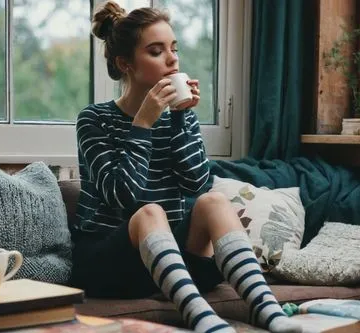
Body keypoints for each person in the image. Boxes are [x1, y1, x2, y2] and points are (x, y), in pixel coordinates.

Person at [72, 2, 301, 333]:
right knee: (149, 211)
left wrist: (179, 118)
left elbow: (197, 185)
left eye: (173, 49)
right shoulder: (94, 120)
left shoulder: (180, 119)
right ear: (126, 64)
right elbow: (122, 195)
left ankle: (269, 313)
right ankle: (201, 318)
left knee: (215, 201)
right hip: (111, 264)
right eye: (156, 51)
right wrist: (143, 125)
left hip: (170, 261)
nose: (172, 59)